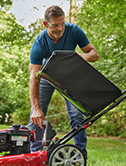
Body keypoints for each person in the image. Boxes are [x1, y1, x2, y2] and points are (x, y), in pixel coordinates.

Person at [28, 5, 99, 158]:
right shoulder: (39, 43)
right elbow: (34, 77)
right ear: (46, 24)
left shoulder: (73, 30)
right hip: (48, 76)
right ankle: (35, 156)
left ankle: (80, 157)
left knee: (77, 116)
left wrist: (78, 57)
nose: (60, 28)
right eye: (55, 25)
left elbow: (94, 54)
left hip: (70, 77)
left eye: (62, 24)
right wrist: (36, 108)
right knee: (36, 115)